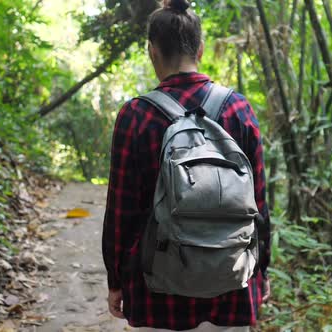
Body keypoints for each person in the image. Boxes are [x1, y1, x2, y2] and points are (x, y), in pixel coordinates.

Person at [102, 0, 271, 331]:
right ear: (201, 49)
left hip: (157, 293)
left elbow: (120, 212)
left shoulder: (136, 116)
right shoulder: (238, 109)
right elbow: (259, 203)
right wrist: (261, 269)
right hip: (231, 284)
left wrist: (116, 279)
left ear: (152, 51)